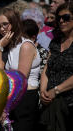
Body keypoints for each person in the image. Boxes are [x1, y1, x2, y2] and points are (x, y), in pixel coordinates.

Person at [0, 8, 41, 131]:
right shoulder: (10, 45)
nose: (2, 29)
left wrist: (6, 108)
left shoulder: (25, 45)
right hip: (13, 98)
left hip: (25, 98)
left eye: (5, 24)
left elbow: (20, 81)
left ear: (14, 23)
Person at [40, 2, 73, 131]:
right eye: (58, 18)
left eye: (65, 17)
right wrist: (43, 92)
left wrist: (56, 90)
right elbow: (47, 68)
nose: (61, 21)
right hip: (51, 104)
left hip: (69, 104)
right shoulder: (55, 42)